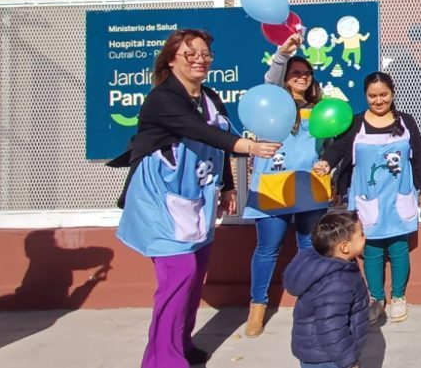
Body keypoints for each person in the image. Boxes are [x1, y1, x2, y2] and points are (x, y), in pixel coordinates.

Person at [109, 28, 280, 368]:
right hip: (160, 199)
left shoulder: (210, 97)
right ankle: (162, 360)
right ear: (172, 60)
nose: (200, 60)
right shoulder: (162, 99)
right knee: (179, 275)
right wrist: (248, 147)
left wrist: (228, 184)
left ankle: (181, 345)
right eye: (191, 54)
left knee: (195, 273)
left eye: (205, 54)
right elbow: (196, 130)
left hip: (196, 197)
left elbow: (219, 138)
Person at [314, 71, 421, 324]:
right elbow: (339, 148)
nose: (378, 101)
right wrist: (326, 163)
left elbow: (419, 155)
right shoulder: (356, 123)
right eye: (372, 96)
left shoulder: (406, 122)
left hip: (398, 197)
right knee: (372, 250)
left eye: (383, 95)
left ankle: (398, 297)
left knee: (399, 249)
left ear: (392, 94)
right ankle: (376, 299)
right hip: (367, 198)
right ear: (365, 96)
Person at [241, 33, 332, 338]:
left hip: (309, 185)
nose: (302, 78)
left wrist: (329, 163)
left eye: (306, 73)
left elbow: (330, 145)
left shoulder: (320, 108)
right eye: (295, 73)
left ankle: (311, 303)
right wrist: (283, 54)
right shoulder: (272, 103)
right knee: (268, 249)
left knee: (310, 247)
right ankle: (257, 307)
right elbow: (270, 80)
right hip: (272, 185)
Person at [283, 210, 370, 368]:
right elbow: (332, 328)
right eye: (361, 235)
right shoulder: (336, 283)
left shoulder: (335, 265)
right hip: (328, 358)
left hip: (321, 352)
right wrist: (349, 361)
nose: (365, 238)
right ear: (344, 247)